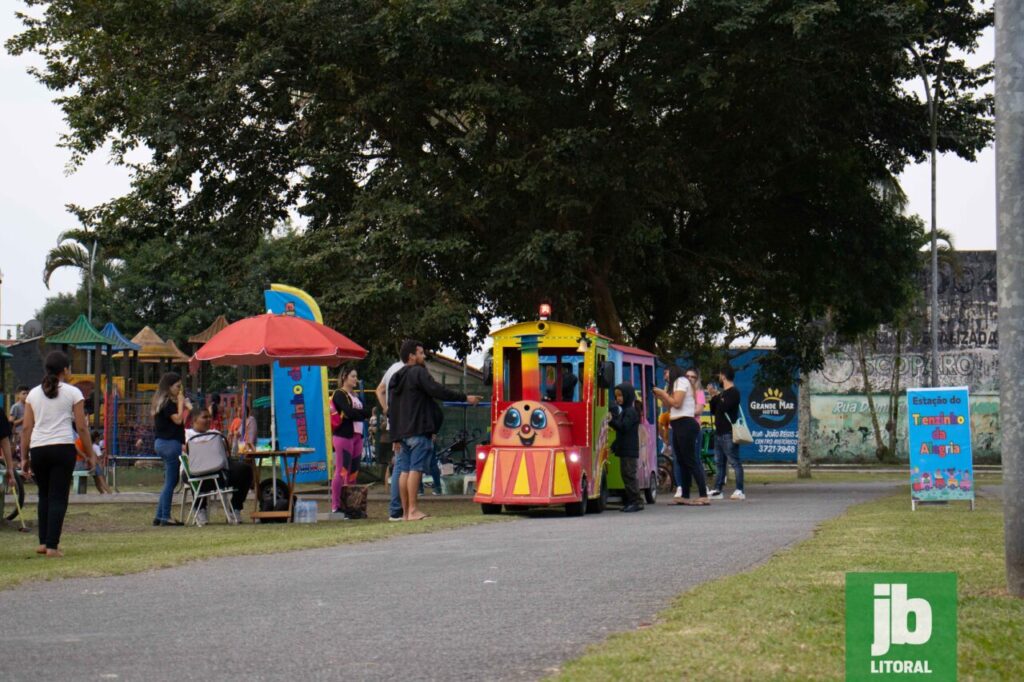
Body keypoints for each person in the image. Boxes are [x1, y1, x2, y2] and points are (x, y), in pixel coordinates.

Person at [388, 340, 481, 521]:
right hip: (418, 430)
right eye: (421, 353)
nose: (424, 357)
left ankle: (406, 512)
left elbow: (392, 408)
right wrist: (464, 398)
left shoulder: (396, 378)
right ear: (411, 356)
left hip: (402, 433)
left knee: (404, 471)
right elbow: (437, 390)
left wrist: (395, 436)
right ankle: (414, 509)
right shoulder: (418, 373)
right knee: (416, 469)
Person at [20, 351, 96, 557]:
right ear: (65, 370)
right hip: (62, 448)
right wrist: (91, 454)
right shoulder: (73, 393)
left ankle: (43, 542)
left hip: (38, 449)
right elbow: (81, 427)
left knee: (44, 495)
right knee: (58, 497)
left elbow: (27, 428)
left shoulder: (33, 394)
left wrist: (24, 457)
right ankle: (53, 546)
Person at [186, 407, 253, 525]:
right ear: (194, 420)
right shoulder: (186, 435)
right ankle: (200, 508)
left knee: (245, 469)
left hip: (220, 473)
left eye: (209, 417)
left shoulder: (216, 434)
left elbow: (225, 454)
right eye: (204, 417)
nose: (208, 420)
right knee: (191, 473)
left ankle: (235, 508)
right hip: (196, 473)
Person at [653, 365, 709, 506]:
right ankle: (684, 494)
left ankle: (703, 494)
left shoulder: (681, 381)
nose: (665, 376)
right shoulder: (675, 385)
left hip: (686, 424)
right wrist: (660, 395)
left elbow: (677, 403)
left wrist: (664, 394)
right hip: (677, 424)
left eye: (667, 373)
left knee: (690, 460)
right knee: (681, 460)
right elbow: (669, 405)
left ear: (673, 373)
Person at [331, 366, 371, 517]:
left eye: (356, 376)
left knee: (353, 473)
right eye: (353, 376)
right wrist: (358, 414)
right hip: (343, 436)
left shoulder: (356, 396)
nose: (356, 379)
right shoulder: (339, 394)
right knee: (341, 471)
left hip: (357, 436)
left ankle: (351, 505)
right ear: (345, 377)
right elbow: (348, 412)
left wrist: (357, 414)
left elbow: (366, 411)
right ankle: (336, 506)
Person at [151, 372, 190, 526]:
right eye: (177, 387)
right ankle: (165, 516)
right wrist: (181, 403)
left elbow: (180, 421)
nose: (179, 390)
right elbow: (179, 419)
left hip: (162, 443)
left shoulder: (161, 402)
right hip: (170, 444)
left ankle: (159, 515)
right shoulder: (168, 403)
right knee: (171, 481)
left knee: (169, 481)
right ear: (169, 387)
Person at [375, 357, 406, 522]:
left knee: (397, 465)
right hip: (401, 424)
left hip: (393, 423)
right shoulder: (402, 371)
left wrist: (386, 409)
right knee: (400, 466)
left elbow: (379, 389)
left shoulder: (392, 368)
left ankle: (400, 507)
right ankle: (396, 509)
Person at [708, 365, 745, 500]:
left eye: (719, 375)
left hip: (729, 433)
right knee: (719, 463)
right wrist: (713, 396)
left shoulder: (734, 392)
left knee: (734, 462)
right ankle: (718, 489)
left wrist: (718, 397)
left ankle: (740, 490)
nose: (718, 378)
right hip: (718, 433)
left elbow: (724, 407)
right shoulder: (722, 393)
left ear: (723, 376)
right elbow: (713, 410)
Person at [608, 382, 642, 512]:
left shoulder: (630, 412)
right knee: (625, 475)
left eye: (621, 396)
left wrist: (612, 420)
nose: (618, 399)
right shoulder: (625, 412)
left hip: (629, 450)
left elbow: (623, 427)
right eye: (616, 396)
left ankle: (636, 501)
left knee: (629, 475)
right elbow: (621, 434)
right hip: (625, 449)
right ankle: (631, 500)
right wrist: (614, 446)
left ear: (627, 396)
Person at [75, 428, 112, 494]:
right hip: (84, 464)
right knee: (101, 478)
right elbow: (96, 456)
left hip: (80, 464)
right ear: (96, 438)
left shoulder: (81, 442)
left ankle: (103, 492)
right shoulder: (93, 446)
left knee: (97, 479)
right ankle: (108, 492)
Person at [9, 385, 28, 463]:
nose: (26, 395)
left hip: (28, 435)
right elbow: (11, 422)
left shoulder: (29, 405)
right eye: (23, 393)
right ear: (18, 395)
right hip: (18, 436)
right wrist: (23, 419)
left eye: (27, 393)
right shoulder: (16, 406)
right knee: (17, 457)